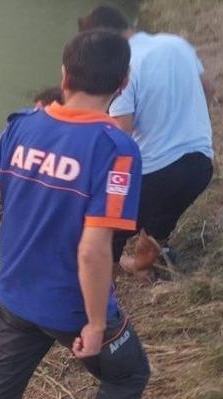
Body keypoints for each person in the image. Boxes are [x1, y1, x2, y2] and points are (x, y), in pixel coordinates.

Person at [0, 30, 151, 399]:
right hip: (71, 306)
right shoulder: (117, 150)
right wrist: (98, 325)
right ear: (122, 82)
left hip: (16, 294)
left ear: (64, 74)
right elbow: (94, 248)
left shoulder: (21, 125)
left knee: (2, 378)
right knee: (128, 374)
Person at [79, 6, 215, 275]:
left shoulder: (123, 66)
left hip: (158, 175)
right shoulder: (175, 43)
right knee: (160, 216)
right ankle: (150, 250)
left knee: (106, 226)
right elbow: (209, 90)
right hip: (202, 165)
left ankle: (110, 276)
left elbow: (121, 138)